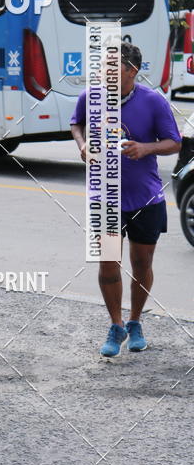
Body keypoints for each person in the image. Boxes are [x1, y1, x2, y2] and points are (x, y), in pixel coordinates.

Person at [70, 42, 181, 357]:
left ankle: (135, 322)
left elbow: (174, 142)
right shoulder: (90, 97)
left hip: (146, 198)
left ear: (132, 71)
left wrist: (146, 148)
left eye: (112, 66)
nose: (103, 71)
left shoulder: (153, 101)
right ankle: (116, 325)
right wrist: (82, 144)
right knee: (108, 264)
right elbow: (76, 123)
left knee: (142, 263)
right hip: (104, 197)